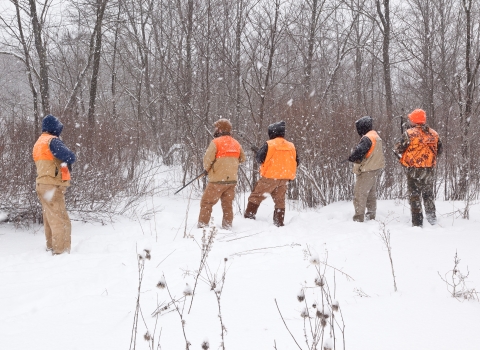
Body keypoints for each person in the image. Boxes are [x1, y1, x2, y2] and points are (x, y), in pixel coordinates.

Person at [33, 115, 76, 255]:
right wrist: (71, 155)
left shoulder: (39, 142)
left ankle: (51, 246)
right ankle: (61, 251)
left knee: (50, 217)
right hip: (52, 185)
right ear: (54, 127)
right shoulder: (53, 141)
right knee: (61, 219)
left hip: (42, 184)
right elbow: (69, 156)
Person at [244, 121, 298, 227]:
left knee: (256, 196)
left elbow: (259, 159)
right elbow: (297, 161)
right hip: (284, 178)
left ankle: (248, 218)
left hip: (270, 177)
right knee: (280, 200)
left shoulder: (269, 144)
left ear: (272, 133)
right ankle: (279, 222)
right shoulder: (291, 146)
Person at [395, 109, 443, 227]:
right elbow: (439, 151)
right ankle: (432, 219)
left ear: (413, 120)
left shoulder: (409, 133)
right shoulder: (434, 134)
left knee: (414, 196)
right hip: (429, 169)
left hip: (413, 170)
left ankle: (417, 223)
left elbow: (398, 149)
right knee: (428, 194)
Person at [198, 119, 246, 229]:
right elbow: (243, 159)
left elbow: (207, 160)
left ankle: (202, 226)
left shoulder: (216, 142)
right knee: (227, 205)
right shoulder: (236, 143)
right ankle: (227, 226)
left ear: (220, 129)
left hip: (217, 180)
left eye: (216, 128)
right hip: (232, 181)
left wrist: (208, 169)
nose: (215, 130)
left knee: (207, 203)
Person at [348, 116, 385, 222]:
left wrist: (352, 157)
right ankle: (371, 216)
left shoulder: (367, 138)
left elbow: (359, 152)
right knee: (371, 194)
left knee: (360, 194)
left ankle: (358, 218)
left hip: (367, 170)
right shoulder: (375, 135)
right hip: (374, 168)